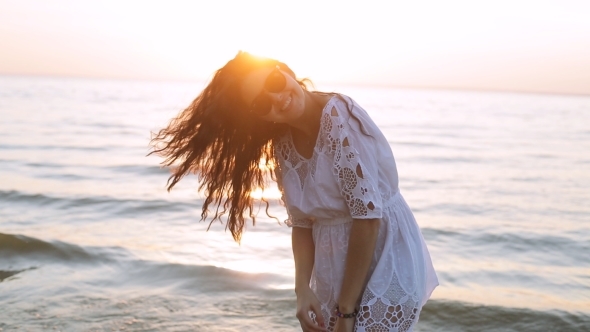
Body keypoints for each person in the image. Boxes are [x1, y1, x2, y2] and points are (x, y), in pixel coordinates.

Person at [150, 51, 438, 332]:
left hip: (382, 254)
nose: (277, 98)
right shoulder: (283, 144)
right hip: (333, 269)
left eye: (273, 82)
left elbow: (367, 218)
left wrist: (346, 310)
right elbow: (301, 224)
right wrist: (302, 290)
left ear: (285, 70)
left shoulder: (340, 117)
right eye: (262, 103)